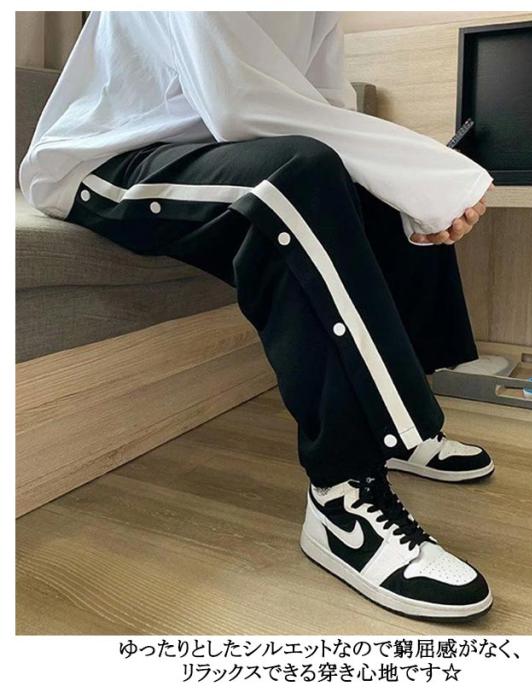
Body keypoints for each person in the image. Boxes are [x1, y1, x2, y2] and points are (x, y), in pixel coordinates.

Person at [20, 11, 495, 621]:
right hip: (103, 161)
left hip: (212, 151)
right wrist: (428, 171)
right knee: (297, 177)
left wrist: (411, 185)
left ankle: (400, 431)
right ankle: (343, 498)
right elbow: (237, 104)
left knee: (376, 188)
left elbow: (328, 111)